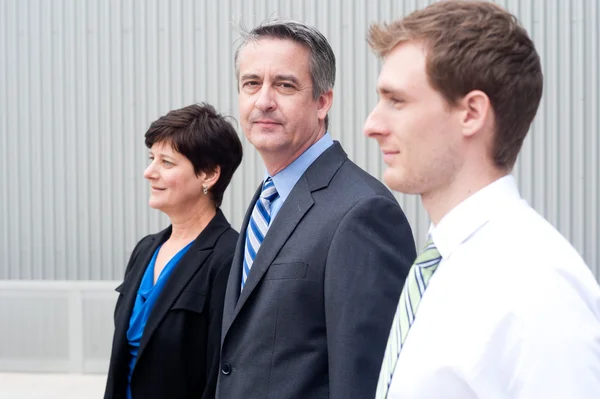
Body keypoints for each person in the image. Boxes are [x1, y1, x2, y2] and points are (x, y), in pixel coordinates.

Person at [364, 1, 600, 398]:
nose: (372, 125)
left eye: (397, 101)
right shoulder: (443, 262)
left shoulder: (537, 289)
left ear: (471, 113)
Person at [216, 19, 417, 399]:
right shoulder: (267, 199)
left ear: (323, 101)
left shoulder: (362, 213)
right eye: (251, 83)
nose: (263, 101)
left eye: (285, 84)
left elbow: (364, 380)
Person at [104, 103, 243, 399]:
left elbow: (220, 374)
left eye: (166, 162)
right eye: (151, 158)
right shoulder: (145, 250)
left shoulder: (230, 258)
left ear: (208, 174)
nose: (149, 172)